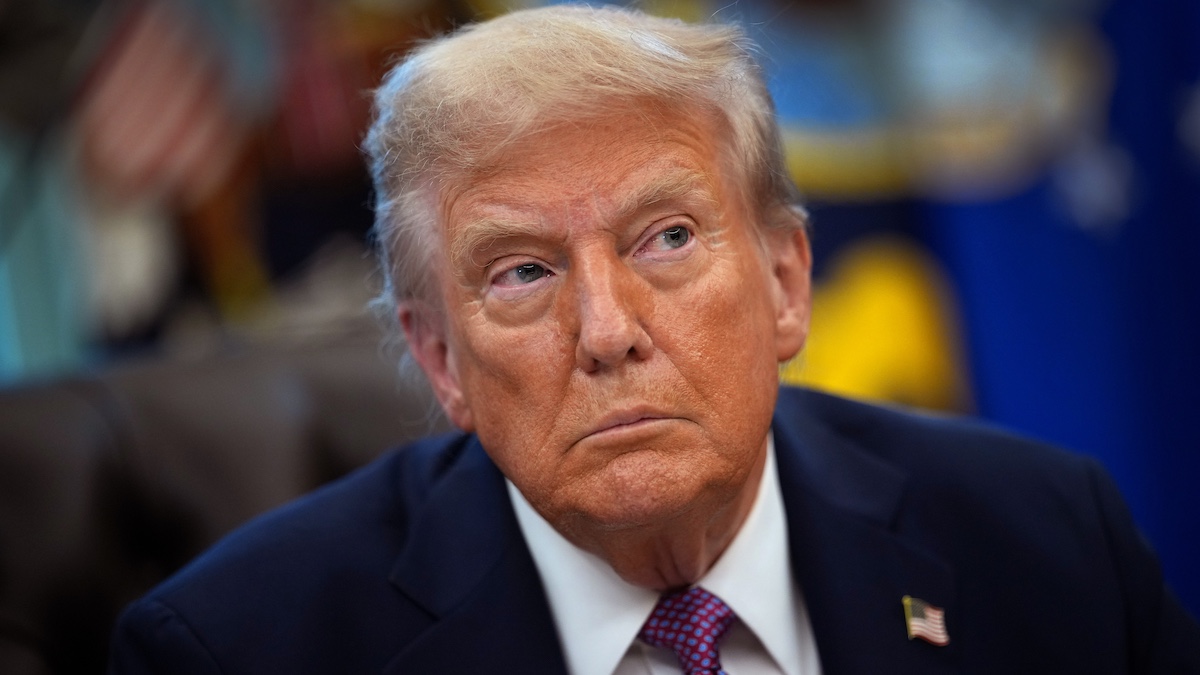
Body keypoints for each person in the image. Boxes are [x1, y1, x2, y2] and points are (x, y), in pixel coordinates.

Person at [108, 5, 1200, 673]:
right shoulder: (236, 651)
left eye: (668, 239)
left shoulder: (1052, 549)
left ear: (784, 283)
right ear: (440, 360)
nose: (609, 332)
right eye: (523, 272)